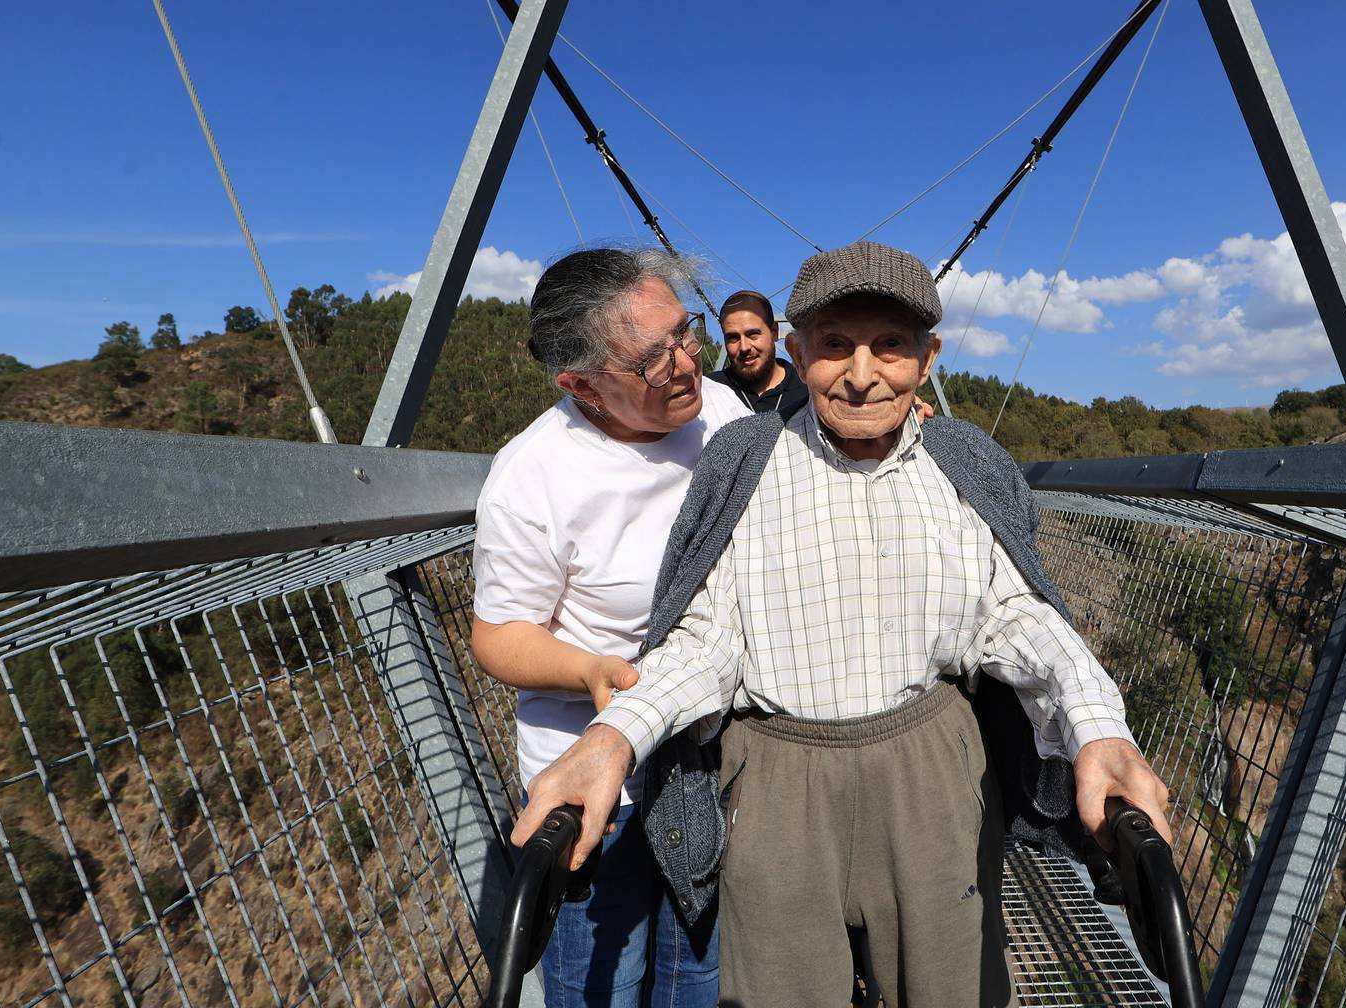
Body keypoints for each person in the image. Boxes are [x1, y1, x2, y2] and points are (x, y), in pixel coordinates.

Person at [515, 241, 1172, 1006]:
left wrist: (1099, 728)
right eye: (834, 345)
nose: (862, 375)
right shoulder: (744, 462)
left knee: (953, 989)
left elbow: (1018, 613)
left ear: (928, 359)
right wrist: (612, 738)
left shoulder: (964, 462)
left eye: (890, 345)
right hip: (774, 787)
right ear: (797, 354)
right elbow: (707, 641)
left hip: (931, 775)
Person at [469, 246, 750, 1007]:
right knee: (603, 986)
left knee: (696, 977)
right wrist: (590, 671)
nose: (687, 366)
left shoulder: (723, 413)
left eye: (687, 334)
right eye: (652, 362)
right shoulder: (533, 474)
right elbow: (499, 635)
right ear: (580, 385)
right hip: (600, 794)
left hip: (705, 766)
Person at [707, 289, 808, 417]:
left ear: (774, 332)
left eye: (753, 334)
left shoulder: (807, 389)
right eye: (733, 338)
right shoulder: (710, 392)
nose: (744, 347)